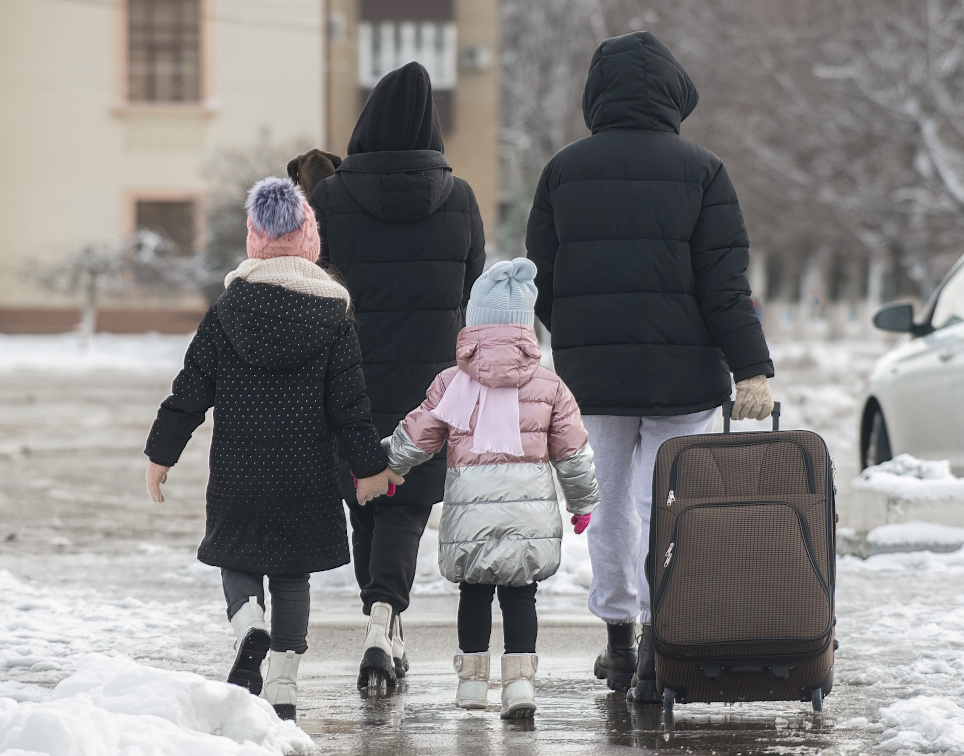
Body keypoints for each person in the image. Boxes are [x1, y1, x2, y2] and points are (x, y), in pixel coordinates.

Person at [524, 32, 775, 703]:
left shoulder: (562, 171)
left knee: (606, 508)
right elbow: (725, 286)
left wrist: (575, 334)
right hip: (683, 377)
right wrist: (752, 366)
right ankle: (662, 651)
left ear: (595, 95)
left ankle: (618, 641)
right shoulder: (704, 170)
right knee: (672, 506)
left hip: (592, 381)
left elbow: (542, 279)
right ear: (674, 92)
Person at [143, 177, 400, 720]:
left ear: (253, 241)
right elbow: (350, 407)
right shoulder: (334, 317)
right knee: (292, 577)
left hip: (239, 469)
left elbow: (191, 390)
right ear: (311, 243)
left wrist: (161, 453)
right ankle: (282, 687)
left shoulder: (228, 309)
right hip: (306, 473)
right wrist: (370, 467)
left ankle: (247, 625)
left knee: (235, 558)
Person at [309, 61, 485, 689]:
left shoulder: (327, 198)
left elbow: (313, 285)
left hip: (348, 372)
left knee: (366, 497)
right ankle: (385, 620)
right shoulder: (459, 197)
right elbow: (473, 290)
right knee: (404, 505)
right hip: (431, 382)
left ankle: (381, 621)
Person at [379, 258, 600, 718]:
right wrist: (582, 504)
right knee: (521, 594)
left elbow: (418, 436)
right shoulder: (550, 386)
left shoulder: (451, 383)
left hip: (470, 515)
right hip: (529, 515)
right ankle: (519, 686)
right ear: (526, 329)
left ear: (472, 325)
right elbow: (572, 453)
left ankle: (473, 686)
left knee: (474, 592)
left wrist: (383, 467)